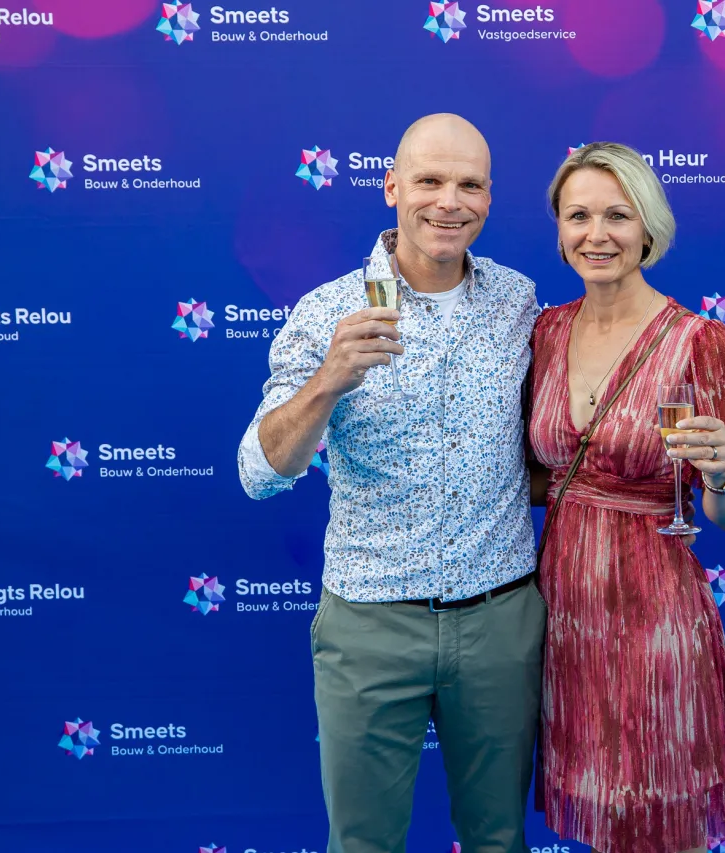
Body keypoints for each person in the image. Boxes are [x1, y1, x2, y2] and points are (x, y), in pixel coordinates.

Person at [237, 113, 545, 853]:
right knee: (364, 844)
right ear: (391, 187)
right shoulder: (327, 312)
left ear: (489, 197)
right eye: (429, 181)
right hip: (370, 625)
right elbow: (259, 473)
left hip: (500, 620)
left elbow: (544, 445)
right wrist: (327, 382)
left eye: (469, 185)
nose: (449, 202)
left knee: (499, 839)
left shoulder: (518, 301)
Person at [526, 142, 725, 853]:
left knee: (663, 816)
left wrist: (720, 473)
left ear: (648, 227)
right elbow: (532, 475)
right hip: (565, 613)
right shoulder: (546, 331)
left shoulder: (700, 341)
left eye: (617, 216)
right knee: (603, 818)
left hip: (655, 615)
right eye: (579, 216)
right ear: (560, 230)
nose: (596, 234)